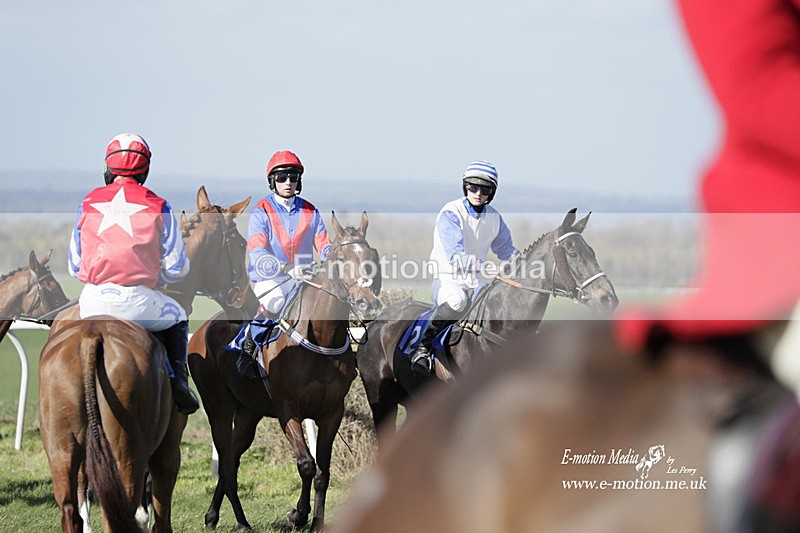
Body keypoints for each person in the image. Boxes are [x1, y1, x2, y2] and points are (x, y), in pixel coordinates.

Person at [67, 133, 199, 414]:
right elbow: (178, 267)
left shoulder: (88, 201)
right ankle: (179, 384)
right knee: (178, 316)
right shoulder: (159, 204)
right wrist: (156, 273)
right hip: (137, 303)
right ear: (145, 170)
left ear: (108, 169)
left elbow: (74, 266)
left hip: (91, 302)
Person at [410, 160, 518, 376]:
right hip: (447, 278)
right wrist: (486, 267)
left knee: (494, 306)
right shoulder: (450, 213)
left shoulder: (494, 217)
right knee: (458, 301)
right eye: (473, 187)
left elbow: (506, 249)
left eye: (484, 189)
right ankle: (423, 348)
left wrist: (521, 264)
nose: (478, 193)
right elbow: (455, 257)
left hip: (477, 281)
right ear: (465, 187)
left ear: (492, 192)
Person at [238, 150, 332, 372]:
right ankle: (248, 350)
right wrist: (285, 268)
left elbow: (325, 244)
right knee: (276, 303)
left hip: (305, 278)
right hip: (270, 279)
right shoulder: (261, 212)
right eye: (282, 177)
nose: (288, 182)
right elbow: (257, 252)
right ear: (273, 181)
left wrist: (335, 259)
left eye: (293, 177)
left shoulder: (311, 210)